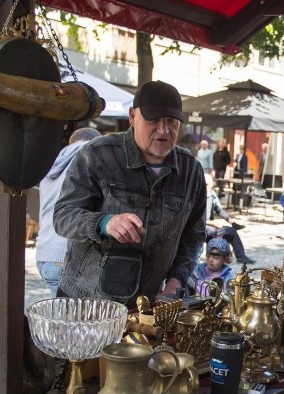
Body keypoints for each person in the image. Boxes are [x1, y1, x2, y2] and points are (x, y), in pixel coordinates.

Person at [53, 80, 207, 305]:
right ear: (132, 117)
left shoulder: (191, 170)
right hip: (85, 300)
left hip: (146, 304)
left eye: (172, 122)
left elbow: (194, 237)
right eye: (153, 120)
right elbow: (63, 217)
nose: (163, 130)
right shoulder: (97, 155)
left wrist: (177, 280)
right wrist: (104, 223)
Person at [34, 127, 102, 296]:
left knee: (61, 317)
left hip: (45, 252)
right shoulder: (93, 158)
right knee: (77, 319)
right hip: (69, 254)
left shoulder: (50, 163)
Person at [203, 174, 255, 264]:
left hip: (209, 225)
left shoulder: (212, 194)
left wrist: (231, 221)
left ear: (211, 184)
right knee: (216, 232)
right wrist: (212, 223)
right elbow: (195, 219)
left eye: (207, 184)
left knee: (231, 230)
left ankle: (241, 257)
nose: (205, 186)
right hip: (200, 226)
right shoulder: (196, 195)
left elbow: (219, 210)